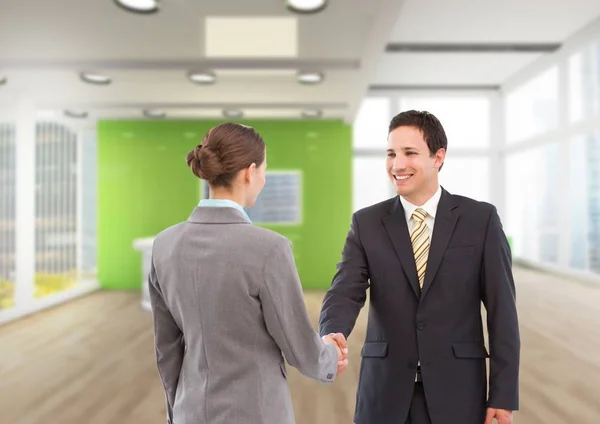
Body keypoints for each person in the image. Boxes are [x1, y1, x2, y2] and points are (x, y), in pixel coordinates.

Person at [319, 110, 520, 424]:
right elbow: (345, 290)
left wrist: (503, 393)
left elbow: (502, 311)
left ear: (438, 157)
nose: (397, 164)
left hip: (458, 389)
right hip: (385, 390)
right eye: (391, 154)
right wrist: (332, 333)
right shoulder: (367, 223)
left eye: (410, 153)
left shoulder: (480, 220)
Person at [148, 122, 348, 424]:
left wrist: (177, 414)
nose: (264, 180)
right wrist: (331, 354)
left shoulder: (164, 245)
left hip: (190, 413)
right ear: (249, 172)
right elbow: (299, 348)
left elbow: (167, 349)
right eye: (264, 170)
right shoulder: (270, 248)